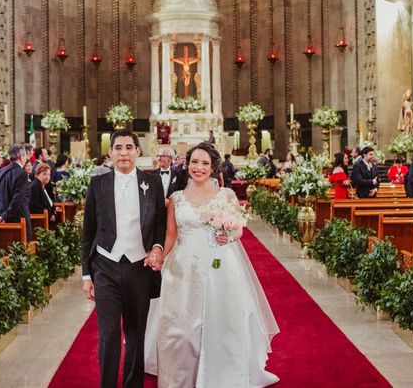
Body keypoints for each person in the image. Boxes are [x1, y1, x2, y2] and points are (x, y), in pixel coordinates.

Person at [144, 142, 279, 387]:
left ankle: (222, 375)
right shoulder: (176, 198)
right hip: (183, 267)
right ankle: (180, 375)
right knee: (181, 328)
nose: (199, 167)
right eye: (194, 162)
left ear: (213, 166)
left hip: (219, 264)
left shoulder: (225, 195)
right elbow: (171, 235)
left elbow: (238, 229)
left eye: (205, 163)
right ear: (187, 165)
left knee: (220, 323)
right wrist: (159, 254)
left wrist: (229, 235)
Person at [81, 129, 166, 388]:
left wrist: (158, 247)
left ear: (138, 151)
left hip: (139, 268)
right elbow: (88, 231)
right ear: (110, 152)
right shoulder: (98, 184)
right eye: (118, 148)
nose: (124, 153)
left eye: (129, 147)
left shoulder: (152, 184)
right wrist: (87, 275)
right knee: (108, 335)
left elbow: (161, 223)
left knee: (135, 334)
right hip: (106, 266)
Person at [0, 144, 33, 234]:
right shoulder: (21, 173)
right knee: (21, 246)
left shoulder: (0, 172)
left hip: (1, 218)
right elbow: (18, 199)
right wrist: (5, 216)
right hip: (18, 219)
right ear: (21, 156)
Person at [29, 163, 58, 228]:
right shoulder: (35, 186)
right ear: (37, 174)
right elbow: (34, 206)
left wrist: (53, 211)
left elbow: (49, 203)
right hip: (38, 222)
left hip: (46, 220)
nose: (47, 177)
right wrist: (50, 215)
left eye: (48, 174)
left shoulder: (44, 186)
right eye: (44, 174)